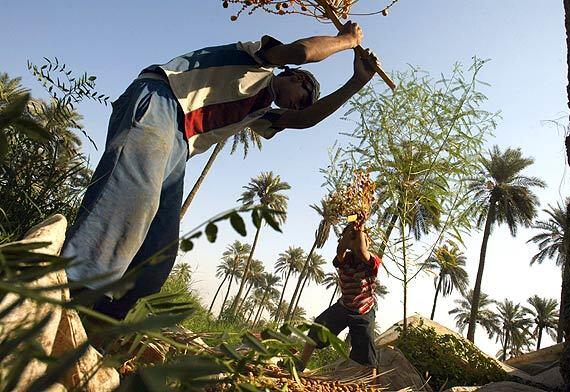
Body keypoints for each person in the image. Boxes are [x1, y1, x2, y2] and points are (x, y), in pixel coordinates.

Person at [62, 23, 379, 320]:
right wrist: (347, 41)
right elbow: (301, 52)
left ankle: (98, 323)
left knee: (156, 257)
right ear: (294, 77)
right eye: (301, 99)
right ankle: (64, 299)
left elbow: (304, 120)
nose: (296, 107)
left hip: (180, 146)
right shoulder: (258, 59)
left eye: (300, 106)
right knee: (129, 200)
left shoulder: (259, 112)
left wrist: (356, 82)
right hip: (164, 100)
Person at [298, 224, 381, 376]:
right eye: (353, 239)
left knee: (367, 349)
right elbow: (340, 250)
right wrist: (351, 231)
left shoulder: (372, 261)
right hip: (344, 306)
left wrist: (360, 230)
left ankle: (373, 384)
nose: (358, 241)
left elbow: (363, 252)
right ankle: (300, 365)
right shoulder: (343, 259)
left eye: (362, 239)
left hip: (364, 311)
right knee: (318, 327)